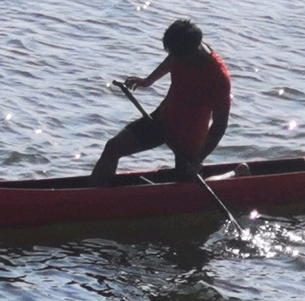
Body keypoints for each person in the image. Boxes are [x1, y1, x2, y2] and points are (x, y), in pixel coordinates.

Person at [91, 18, 231, 186]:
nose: (174, 59)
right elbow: (170, 60)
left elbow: (220, 124)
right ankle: (94, 195)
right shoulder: (182, 49)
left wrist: (198, 159)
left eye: (178, 55)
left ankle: (236, 173)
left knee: (187, 184)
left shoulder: (218, 77)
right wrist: (147, 81)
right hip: (163, 118)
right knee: (113, 148)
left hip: (190, 133)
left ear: (193, 51)